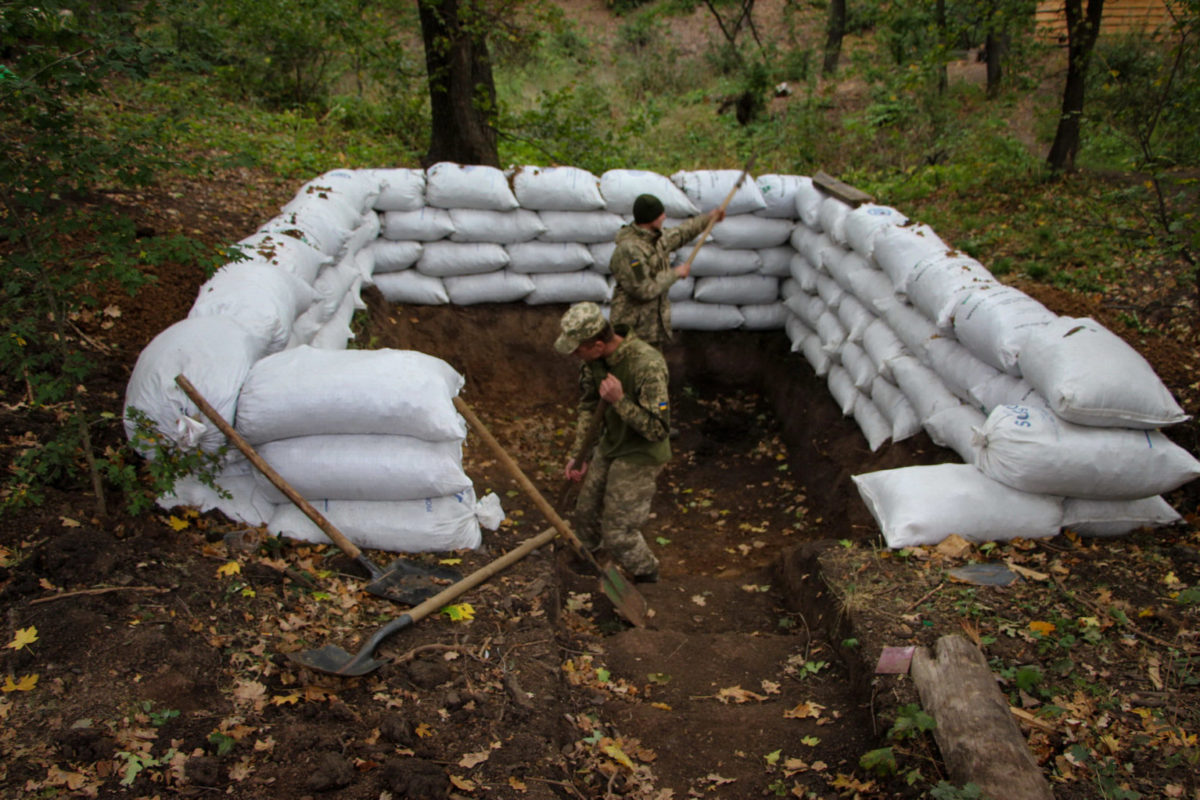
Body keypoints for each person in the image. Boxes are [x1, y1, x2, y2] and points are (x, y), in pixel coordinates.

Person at [554, 302, 671, 582]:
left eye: (578, 350)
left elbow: (658, 430)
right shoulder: (592, 362)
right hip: (611, 445)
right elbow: (588, 407)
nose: (575, 356)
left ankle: (647, 573)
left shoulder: (648, 364)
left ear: (597, 345)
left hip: (641, 453)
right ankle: (588, 563)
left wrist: (620, 400)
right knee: (585, 514)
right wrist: (579, 455)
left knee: (618, 532)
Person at [609, 193, 726, 349]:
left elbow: (682, 233)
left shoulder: (655, 238)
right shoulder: (630, 251)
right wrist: (675, 274)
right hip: (633, 333)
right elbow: (643, 289)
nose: (664, 217)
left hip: (652, 329)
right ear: (650, 219)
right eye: (660, 215)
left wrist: (708, 219)